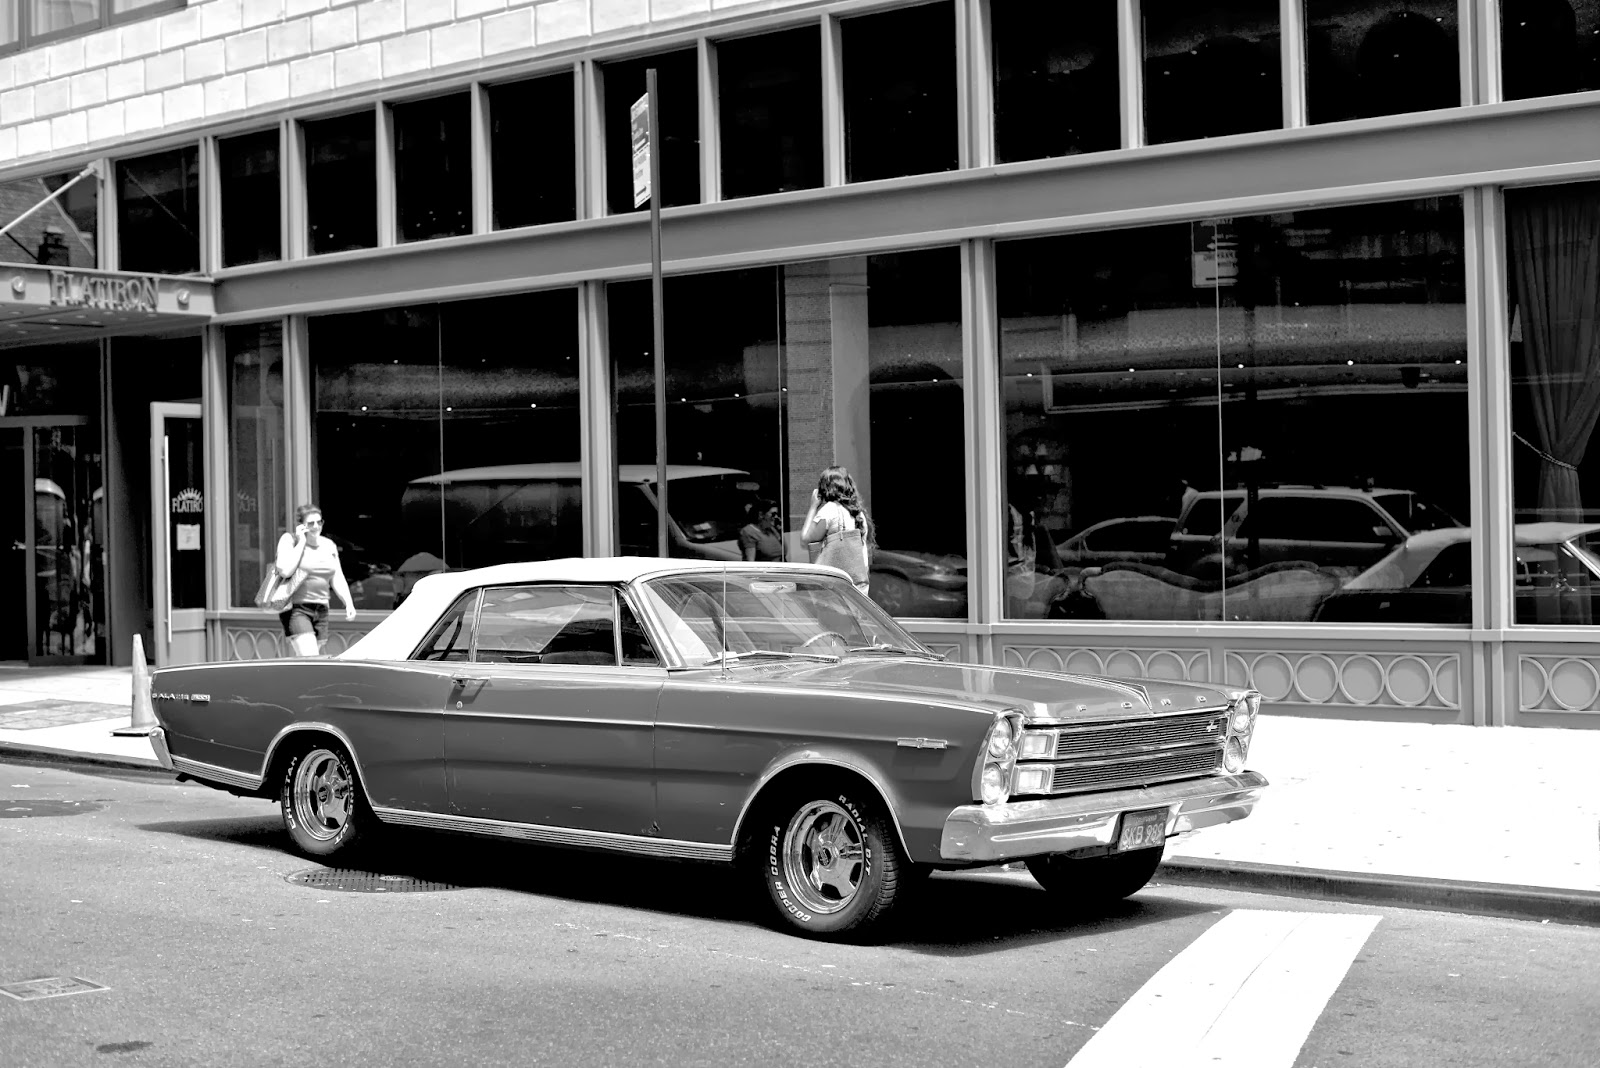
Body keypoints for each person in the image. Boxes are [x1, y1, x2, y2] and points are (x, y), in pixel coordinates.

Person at [275, 503, 358, 657]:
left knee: (311, 661)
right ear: (301, 525)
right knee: (310, 658)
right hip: (297, 608)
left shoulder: (329, 545)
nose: (315, 526)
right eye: (310, 523)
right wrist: (301, 542)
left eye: (319, 522)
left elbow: (337, 577)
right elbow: (285, 571)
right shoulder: (289, 540)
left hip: (321, 610)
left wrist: (348, 602)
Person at [801, 466, 874, 594]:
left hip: (836, 586)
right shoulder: (858, 513)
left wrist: (813, 506)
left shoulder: (829, 510)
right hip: (859, 583)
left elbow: (805, 540)